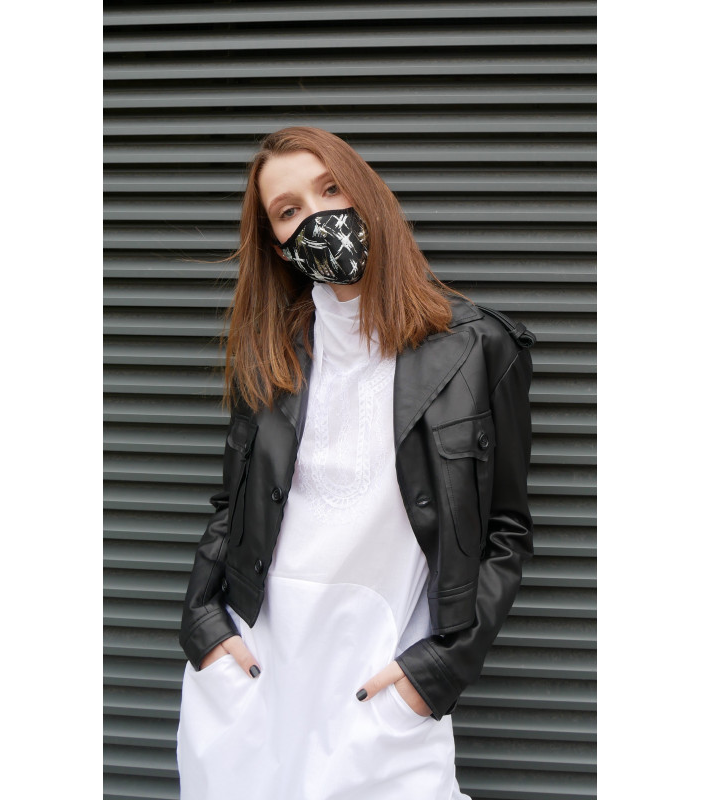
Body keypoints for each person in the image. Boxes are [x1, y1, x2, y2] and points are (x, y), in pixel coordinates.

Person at [176, 126, 535, 800]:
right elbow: (231, 506)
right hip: (249, 682)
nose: (317, 217)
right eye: (289, 210)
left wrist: (438, 673)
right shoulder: (272, 356)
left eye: (331, 188)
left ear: (367, 192)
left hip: (380, 690)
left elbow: (504, 533)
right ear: (278, 245)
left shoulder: (479, 348)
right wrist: (202, 624)